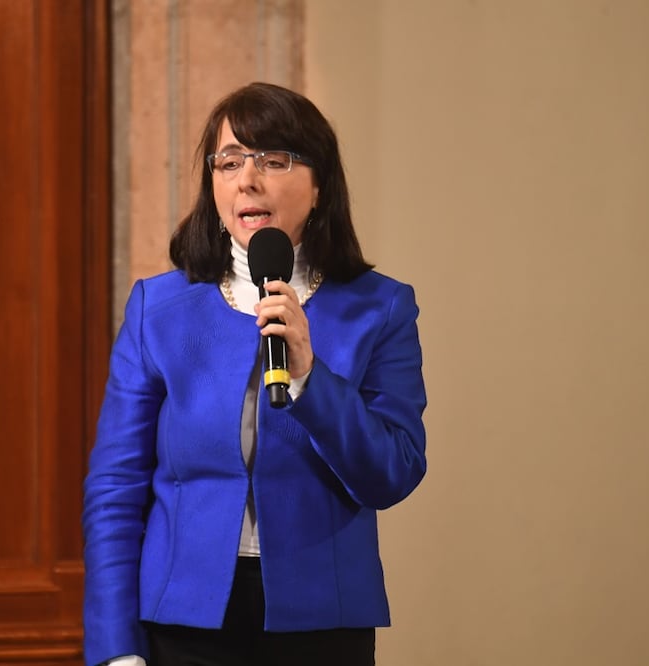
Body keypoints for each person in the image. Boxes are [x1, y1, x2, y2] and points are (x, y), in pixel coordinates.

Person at [82, 81, 428, 666]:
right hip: (183, 622)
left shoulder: (380, 308)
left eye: (273, 160)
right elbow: (115, 488)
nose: (247, 179)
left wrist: (310, 378)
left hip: (321, 624)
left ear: (319, 187)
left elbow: (391, 473)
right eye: (230, 161)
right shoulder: (157, 310)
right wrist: (117, 649)